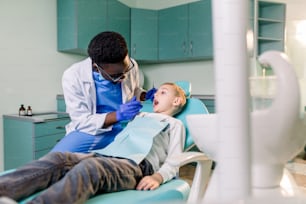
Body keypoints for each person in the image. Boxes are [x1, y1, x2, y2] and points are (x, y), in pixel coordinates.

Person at [0, 83, 186, 204]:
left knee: (91, 167)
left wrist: (158, 177)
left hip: (135, 166)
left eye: (163, 92)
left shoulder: (175, 124)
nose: (156, 95)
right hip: (106, 154)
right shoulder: (141, 116)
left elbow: (175, 160)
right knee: (59, 158)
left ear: (177, 100)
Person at [51, 31, 157, 153]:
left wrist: (144, 95)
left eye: (126, 71)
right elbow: (82, 121)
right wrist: (117, 115)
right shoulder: (73, 76)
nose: (123, 77)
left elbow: (133, 90)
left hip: (124, 128)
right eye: (116, 76)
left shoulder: (132, 65)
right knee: (55, 160)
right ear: (97, 68)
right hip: (91, 130)